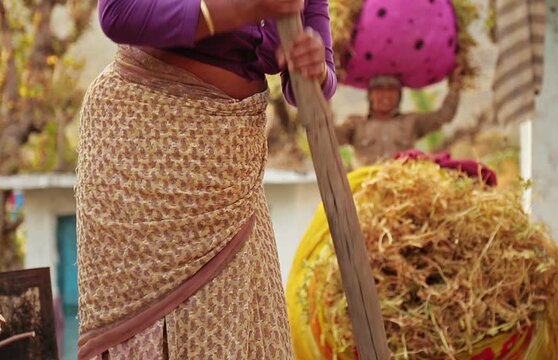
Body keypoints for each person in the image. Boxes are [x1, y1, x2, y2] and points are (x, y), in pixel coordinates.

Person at [74, 0, 337, 358]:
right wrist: (247, 8)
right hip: (146, 148)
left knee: (248, 333)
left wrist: (316, 70)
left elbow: (311, 84)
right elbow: (119, 13)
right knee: (152, 325)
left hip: (232, 167)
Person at [335, 75, 459, 167]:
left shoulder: (412, 122)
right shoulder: (355, 124)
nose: (386, 95)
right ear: (370, 95)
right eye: (379, 89)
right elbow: (331, 136)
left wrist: (455, 86)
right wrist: (322, 89)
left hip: (402, 190)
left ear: (399, 96)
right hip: (364, 190)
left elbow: (444, 116)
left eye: (391, 90)